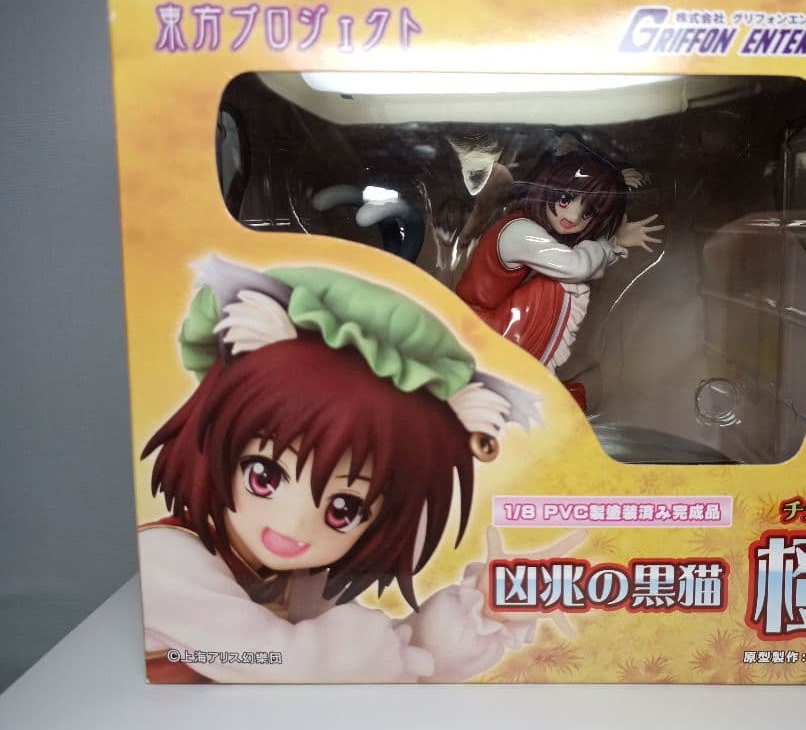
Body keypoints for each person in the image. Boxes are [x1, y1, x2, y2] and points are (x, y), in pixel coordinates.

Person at [138, 255, 566, 683]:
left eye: (344, 508)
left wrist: (480, 612)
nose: (296, 523)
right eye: (264, 477)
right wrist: (386, 656)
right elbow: (289, 662)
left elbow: (394, 661)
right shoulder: (167, 558)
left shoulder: (295, 577)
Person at [455, 144, 662, 408]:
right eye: (565, 199)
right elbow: (574, 267)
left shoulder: (528, 226)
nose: (573, 217)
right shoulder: (521, 232)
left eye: (588, 212)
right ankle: (521, 384)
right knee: (561, 286)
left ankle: (533, 392)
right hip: (478, 328)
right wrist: (611, 243)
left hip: (481, 322)